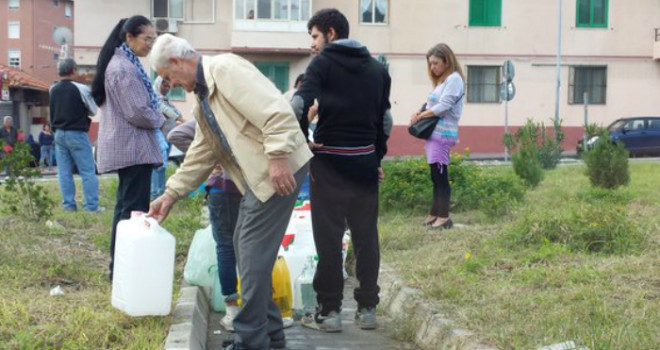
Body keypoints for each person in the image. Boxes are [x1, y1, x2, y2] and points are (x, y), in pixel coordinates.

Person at [147, 34, 312, 350]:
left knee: (249, 252)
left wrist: (278, 157)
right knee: (247, 249)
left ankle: (252, 341)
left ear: (179, 62)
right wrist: (170, 195)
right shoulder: (205, 98)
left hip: (278, 168)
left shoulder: (224, 69)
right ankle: (271, 337)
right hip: (262, 174)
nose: (174, 84)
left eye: (170, 76)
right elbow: (201, 151)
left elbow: (275, 110)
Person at [291, 8, 392, 332]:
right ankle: (367, 310)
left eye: (315, 36)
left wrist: (301, 141)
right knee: (366, 239)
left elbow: (298, 104)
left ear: (331, 33)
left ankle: (330, 313)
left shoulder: (322, 65)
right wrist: (376, 158)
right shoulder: (378, 69)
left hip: (330, 167)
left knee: (329, 241)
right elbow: (384, 121)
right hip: (363, 167)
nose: (312, 45)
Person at [91, 15, 165, 280]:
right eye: (147, 39)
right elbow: (138, 111)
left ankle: (120, 267)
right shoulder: (122, 69)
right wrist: (162, 119)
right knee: (132, 211)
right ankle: (122, 268)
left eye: (153, 40)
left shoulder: (126, 64)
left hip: (132, 148)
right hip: (132, 149)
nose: (150, 45)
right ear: (129, 37)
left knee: (126, 209)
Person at [409, 43, 465, 229]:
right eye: (430, 64)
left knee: (441, 175)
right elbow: (429, 103)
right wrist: (418, 112)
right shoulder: (442, 81)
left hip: (443, 134)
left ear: (446, 61)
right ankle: (434, 213)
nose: (432, 67)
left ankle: (444, 217)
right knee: (435, 176)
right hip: (435, 134)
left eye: (435, 63)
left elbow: (443, 107)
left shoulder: (454, 79)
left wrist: (421, 116)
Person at [49, 58, 101, 212]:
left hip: (59, 133)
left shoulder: (53, 89)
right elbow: (93, 110)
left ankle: (69, 206)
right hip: (77, 133)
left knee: (64, 172)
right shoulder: (81, 88)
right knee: (87, 171)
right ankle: (91, 207)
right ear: (73, 70)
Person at [151, 76, 183, 200]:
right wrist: (180, 119)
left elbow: (175, 111)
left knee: (163, 166)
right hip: (158, 136)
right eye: (164, 86)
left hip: (168, 136)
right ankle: (155, 194)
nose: (166, 89)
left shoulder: (166, 99)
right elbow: (166, 111)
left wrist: (181, 117)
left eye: (168, 87)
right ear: (158, 84)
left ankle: (161, 193)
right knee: (158, 166)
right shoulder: (155, 97)